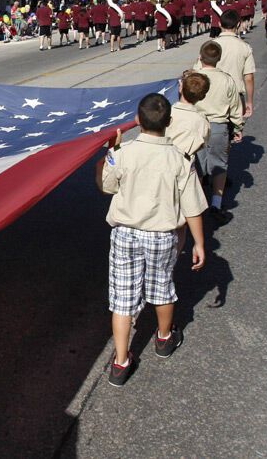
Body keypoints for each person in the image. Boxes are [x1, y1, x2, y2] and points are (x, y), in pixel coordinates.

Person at [95, 94, 207, 387]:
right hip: (162, 236)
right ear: (169, 123)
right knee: (161, 288)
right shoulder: (180, 159)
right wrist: (199, 243)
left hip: (125, 234)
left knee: (122, 298)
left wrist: (106, 157)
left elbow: (106, 186)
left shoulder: (124, 153)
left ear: (137, 121)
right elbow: (192, 206)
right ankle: (164, 338)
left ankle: (120, 363)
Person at [193, 41, 245, 225]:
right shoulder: (227, 79)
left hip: (196, 124)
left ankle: (195, 205)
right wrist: (238, 127)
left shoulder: (194, 77)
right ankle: (216, 203)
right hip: (219, 126)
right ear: (219, 59)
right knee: (219, 165)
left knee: (196, 164)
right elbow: (235, 107)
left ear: (200, 57)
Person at [194, 10, 255, 118]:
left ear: (219, 24)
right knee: (235, 129)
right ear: (238, 24)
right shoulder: (245, 47)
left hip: (212, 93)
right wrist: (249, 101)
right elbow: (249, 78)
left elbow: (197, 72)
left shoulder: (209, 46)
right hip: (236, 94)